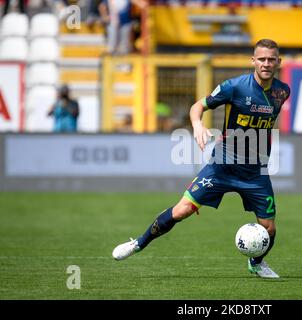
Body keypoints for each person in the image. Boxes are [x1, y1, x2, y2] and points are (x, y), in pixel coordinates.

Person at [112, 39, 291, 278]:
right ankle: (138, 243)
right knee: (181, 210)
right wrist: (197, 125)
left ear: (278, 61)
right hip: (222, 167)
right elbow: (198, 106)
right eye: (261, 59)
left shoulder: (282, 91)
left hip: (255, 172)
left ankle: (257, 263)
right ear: (253, 61)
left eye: (271, 59)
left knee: (269, 227)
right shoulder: (235, 86)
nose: (266, 63)